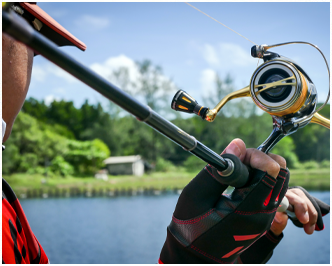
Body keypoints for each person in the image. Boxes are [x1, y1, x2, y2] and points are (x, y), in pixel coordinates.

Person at [2, 3, 329, 264]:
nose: (35, 55)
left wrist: (234, 256)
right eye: (31, 35)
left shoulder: (9, 210)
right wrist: (187, 257)